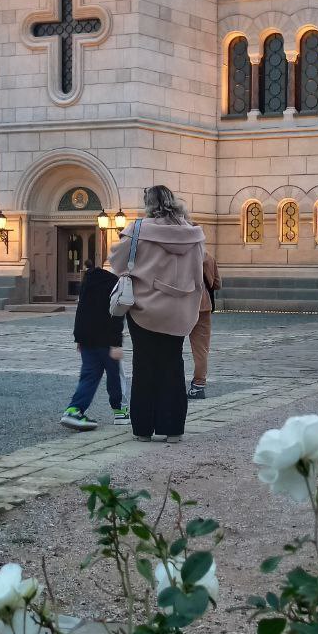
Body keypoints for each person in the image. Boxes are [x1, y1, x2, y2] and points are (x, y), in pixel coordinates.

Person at [109, 185, 204, 443]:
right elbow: (199, 273)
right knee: (173, 365)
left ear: (148, 204)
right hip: (179, 310)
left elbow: (116, 262)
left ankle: (143, 429)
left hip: (144, 309)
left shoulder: (137, 230)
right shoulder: (193, 234)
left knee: (144, 365)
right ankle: (173, 429)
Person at [60, 258, 130, 430]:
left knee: (89, 375)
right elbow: (116, 315)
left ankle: (74, 409)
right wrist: (116, 344)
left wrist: (79, 338)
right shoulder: (116, 283)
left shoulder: (89, 280)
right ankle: (120, 410)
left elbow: (81, 310)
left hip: (87, 338)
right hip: (107, 340)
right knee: (115, 375)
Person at [188, 249, 221, 399]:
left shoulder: (178, 254)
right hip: (203, 304)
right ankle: (198, 385)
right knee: (201, 349)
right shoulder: (208, 257)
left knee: (172, 347)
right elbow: (217, 283)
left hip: (181, 304)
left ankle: (170, 382)